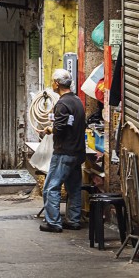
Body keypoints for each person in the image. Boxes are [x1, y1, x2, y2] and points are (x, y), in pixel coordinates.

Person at [40, 68, 86, 234]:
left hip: (64, 152)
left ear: (57, 84)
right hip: (78, 152)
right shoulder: (77, 101)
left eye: (53, 81)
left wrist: (49, 130)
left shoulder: (62, 104)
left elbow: (59, 128)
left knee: (51, 187)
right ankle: (73, 220)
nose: (52, 84)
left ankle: (53, 222)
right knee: (73, 187)